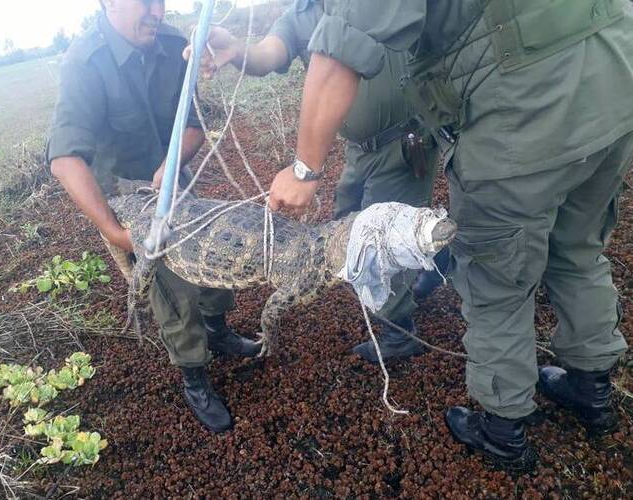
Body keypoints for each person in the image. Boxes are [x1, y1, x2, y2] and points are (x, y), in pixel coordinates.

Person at [268, 0, 633, 472]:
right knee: (579, 249)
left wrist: (303, 169)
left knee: (495, 280)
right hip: (614, 84)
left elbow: (342, 47)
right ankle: (593, 388)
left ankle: (503, 431)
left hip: (525, 114)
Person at [190, 0, 450, 364]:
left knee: (375, 247)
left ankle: (398, 333)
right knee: (345, 224)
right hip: (359, 149)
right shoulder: (302, 13)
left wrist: (303, 170)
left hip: (404, 144)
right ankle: (437, 255)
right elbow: (268, 54)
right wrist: (237, 49)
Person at [46, 0, 261, 434]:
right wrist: (114, 231)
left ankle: (218, 331)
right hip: (130, 198)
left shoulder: (174, 44)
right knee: (176, 291)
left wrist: (171, 164)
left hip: (176, 184)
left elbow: (196, 124)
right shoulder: (84, 62)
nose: (157, 11)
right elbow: (65, 159)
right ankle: (195, 377)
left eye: (161, 0)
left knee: (215, 264)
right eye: (145, 1)